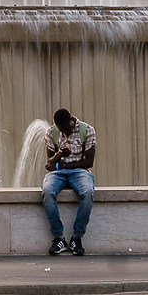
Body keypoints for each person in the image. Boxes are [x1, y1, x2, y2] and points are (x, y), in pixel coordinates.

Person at [43, 108, 97, 255]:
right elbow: (51, 164)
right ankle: (58, 237)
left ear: (71, 121)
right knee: (47, 191)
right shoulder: (51, 132)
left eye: (67, 129)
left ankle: (77, 237)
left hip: (80, 172)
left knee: (87, 192)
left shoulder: (87, 130)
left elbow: (88, 162)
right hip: (58, 173)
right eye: (61, 131)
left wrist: (62, 165)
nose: (64, 133)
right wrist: (58, 155)